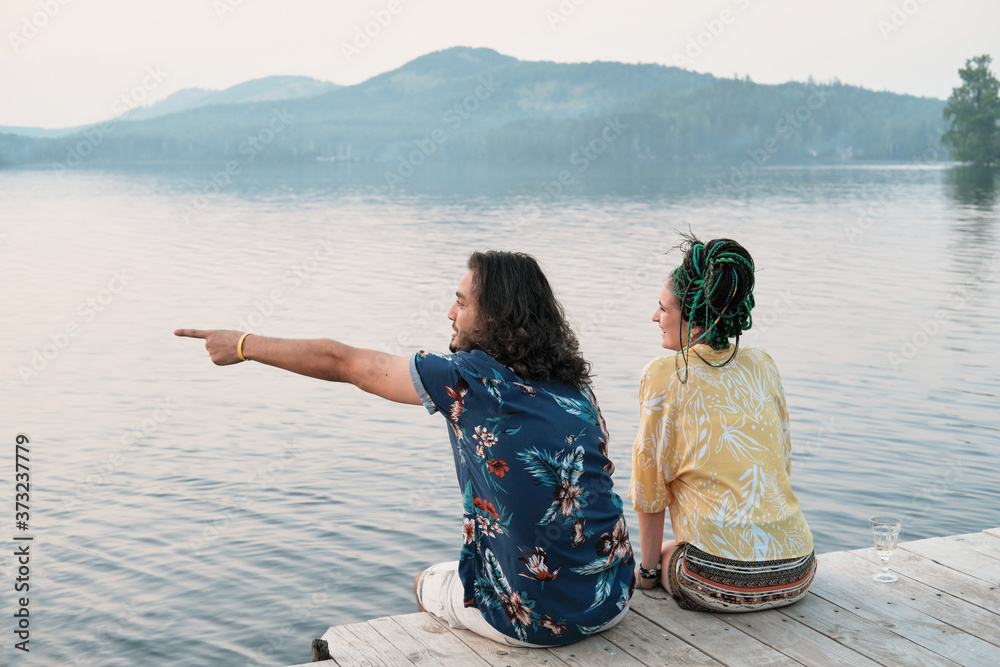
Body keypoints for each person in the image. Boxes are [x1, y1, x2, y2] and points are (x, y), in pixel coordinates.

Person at [175, 250, 634, 647]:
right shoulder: (575, 388)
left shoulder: (469, 379)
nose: (449, 313)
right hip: (613, 596)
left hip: (539, 623)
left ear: (495, 315)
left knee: (426, 582)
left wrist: (242, 344)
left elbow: (344, 363)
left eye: (460, 302)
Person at [628, 234, 816, 613]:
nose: (654, 317)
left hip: (713, 582)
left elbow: (649, 487)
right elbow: (781, 462)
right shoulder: (762, 363)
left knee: (666, 554)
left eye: (663, 309)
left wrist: (647, 573)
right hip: (798, 570)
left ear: (694, 319)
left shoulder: (664, 373)